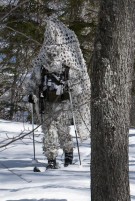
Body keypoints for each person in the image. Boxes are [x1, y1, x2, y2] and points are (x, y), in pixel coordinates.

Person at [24, 15, 91, 169]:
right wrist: (30, 94)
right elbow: (33, 83)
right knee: (49, 133)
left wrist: (74, 90)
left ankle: (68, 155)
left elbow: (77, 87)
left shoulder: (66, 70)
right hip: (45, 104)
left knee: (62, 131)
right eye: (50, 54)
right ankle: (52, 158)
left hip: (63, 105)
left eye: (54, 54)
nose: (52, 57)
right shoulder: (41, 69)